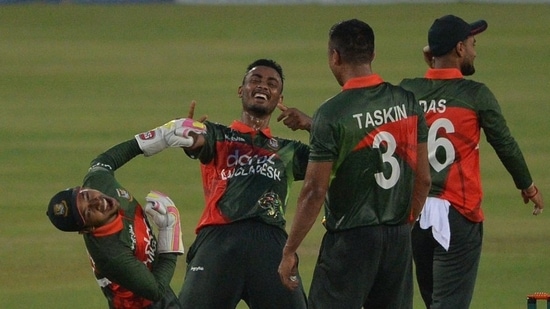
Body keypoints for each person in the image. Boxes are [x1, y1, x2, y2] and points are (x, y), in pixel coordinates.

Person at [278, 19, 431, 309]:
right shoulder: (407, 101)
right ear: (372, 54)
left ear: (335, 56)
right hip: (398, 237)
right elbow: (423, 178)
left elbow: (314, 191)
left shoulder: (332, 112)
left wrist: (290, 250)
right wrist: (401, 225)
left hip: (351, 241)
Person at [399, 14, 545, 309]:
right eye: (472, 43)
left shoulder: (407, 91)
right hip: (458, 215)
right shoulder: (475, 94)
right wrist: (528, 186)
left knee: (434, 303)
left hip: (414, 215)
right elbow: (504, 143)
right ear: (460, 49)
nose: (476, 50)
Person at [176, 59, 309, 309]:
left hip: (270, 245)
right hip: (220, 240)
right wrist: (186, 136)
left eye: (272, 83)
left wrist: (312, 125)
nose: (263, 86)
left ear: (280, 97)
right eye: (255, 80)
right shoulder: (217, 134)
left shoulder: (290, 150)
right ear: (241, 90)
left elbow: (335, 160)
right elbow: (196, 141)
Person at [46, 117, 207, 309]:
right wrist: (169, 233)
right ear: (87, 229)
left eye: (87, 195)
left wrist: (163, 135)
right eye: (89, 212)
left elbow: (104, 161)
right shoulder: (110, 254)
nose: (98, 202)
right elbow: (156, 290)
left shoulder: (98, 182)